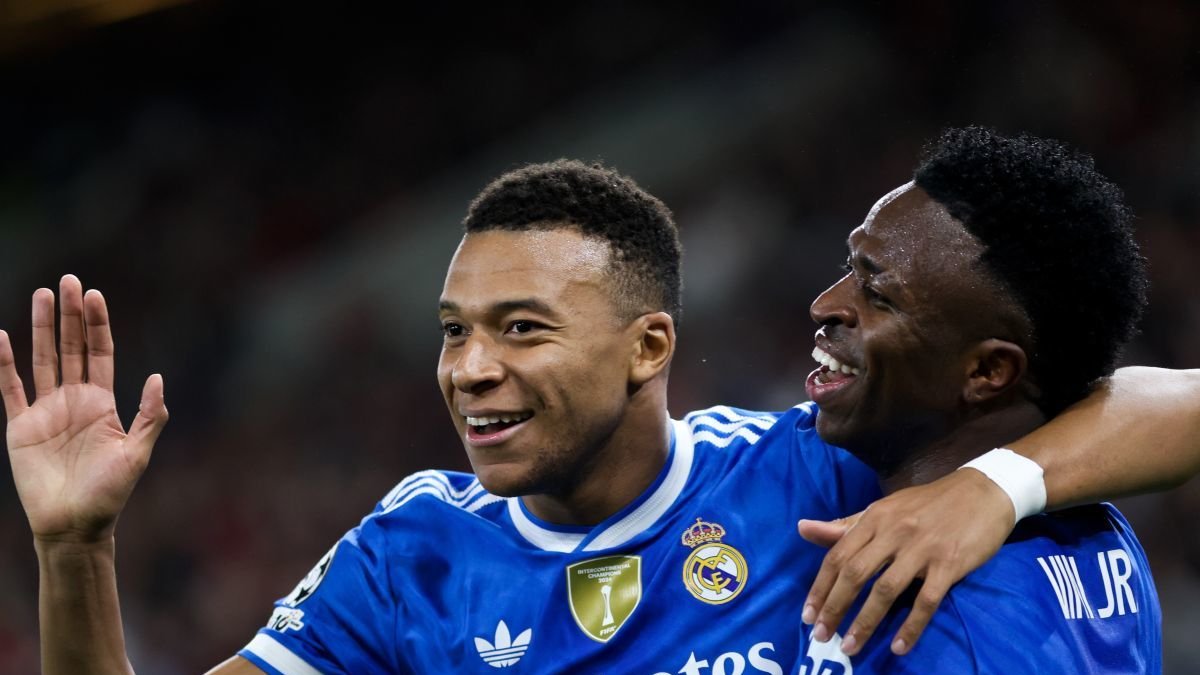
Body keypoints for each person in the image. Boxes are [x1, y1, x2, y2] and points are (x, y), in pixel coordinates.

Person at [2, 158, 1197, 674]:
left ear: (649, 347)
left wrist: (991, 487)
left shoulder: (816, 476)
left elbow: (1154, 399)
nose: (470, 369)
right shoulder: (411, 556)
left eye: (522, 329)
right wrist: (74, 549)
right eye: (454, 332)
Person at [796, 127, 1162, 673]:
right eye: (849, 268)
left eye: (877, 295)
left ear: (988, 371)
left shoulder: (949, 626)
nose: (824, 306)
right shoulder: (1098, 528)